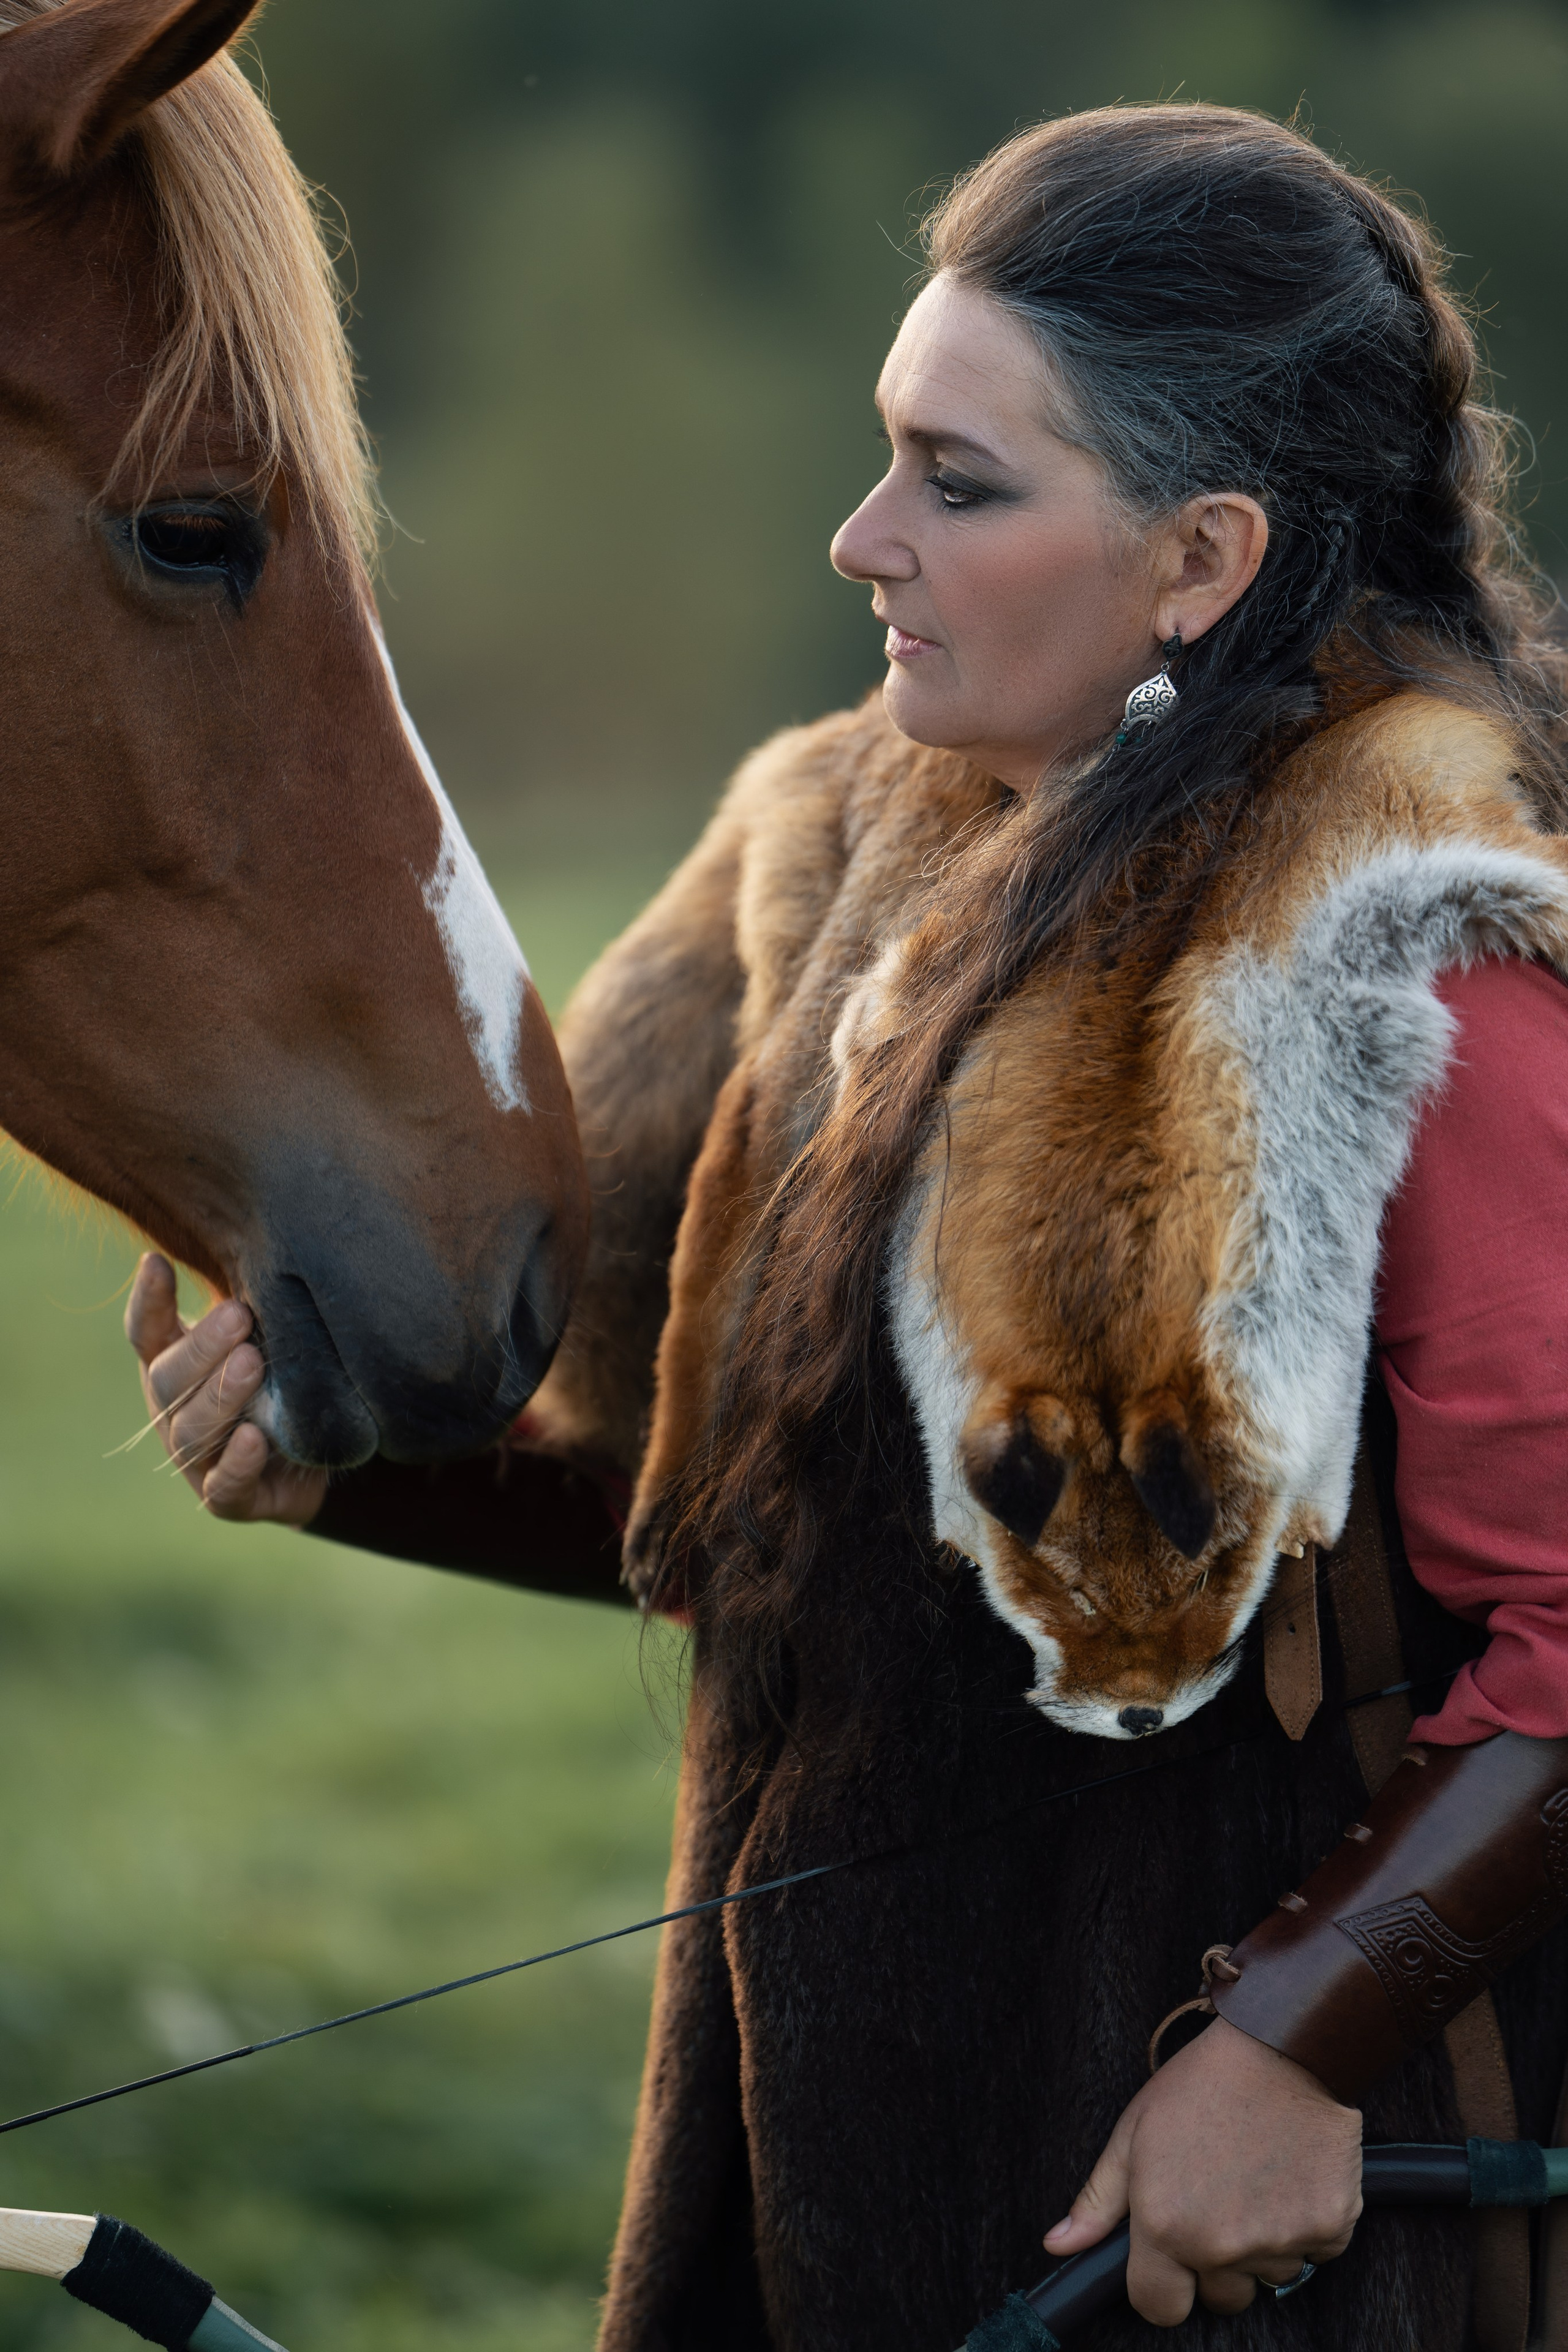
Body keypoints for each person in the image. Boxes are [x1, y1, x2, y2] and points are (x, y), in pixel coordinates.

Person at [126, 103, 1568, 2352]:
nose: (859, 536)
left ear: (1202, 556)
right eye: (886, 450)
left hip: (1241, 2221)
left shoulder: (1425, 957)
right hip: (808, 2148)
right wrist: (357, 1465)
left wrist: (1298, 2043)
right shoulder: (840, 850)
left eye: (960, 482)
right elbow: (779, 1537)